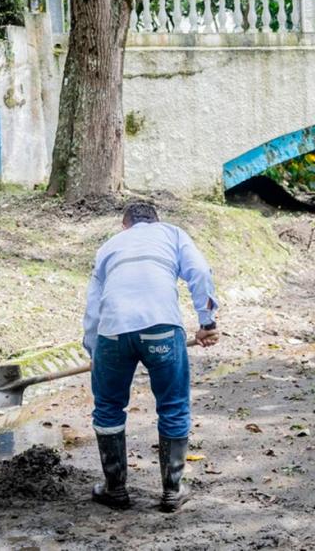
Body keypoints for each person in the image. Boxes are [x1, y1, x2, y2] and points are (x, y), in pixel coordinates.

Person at [81, 201, 220, 512]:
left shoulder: (109, 246)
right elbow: (198, 270)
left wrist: (95, 352)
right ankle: (172, 491)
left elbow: (93, 306)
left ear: (124, 225)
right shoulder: (172, 234)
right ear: (156, 221)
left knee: (108, 407)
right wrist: (207, 323)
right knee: (173, 405)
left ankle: (115, 489)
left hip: (113, 331)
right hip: (162, 328)